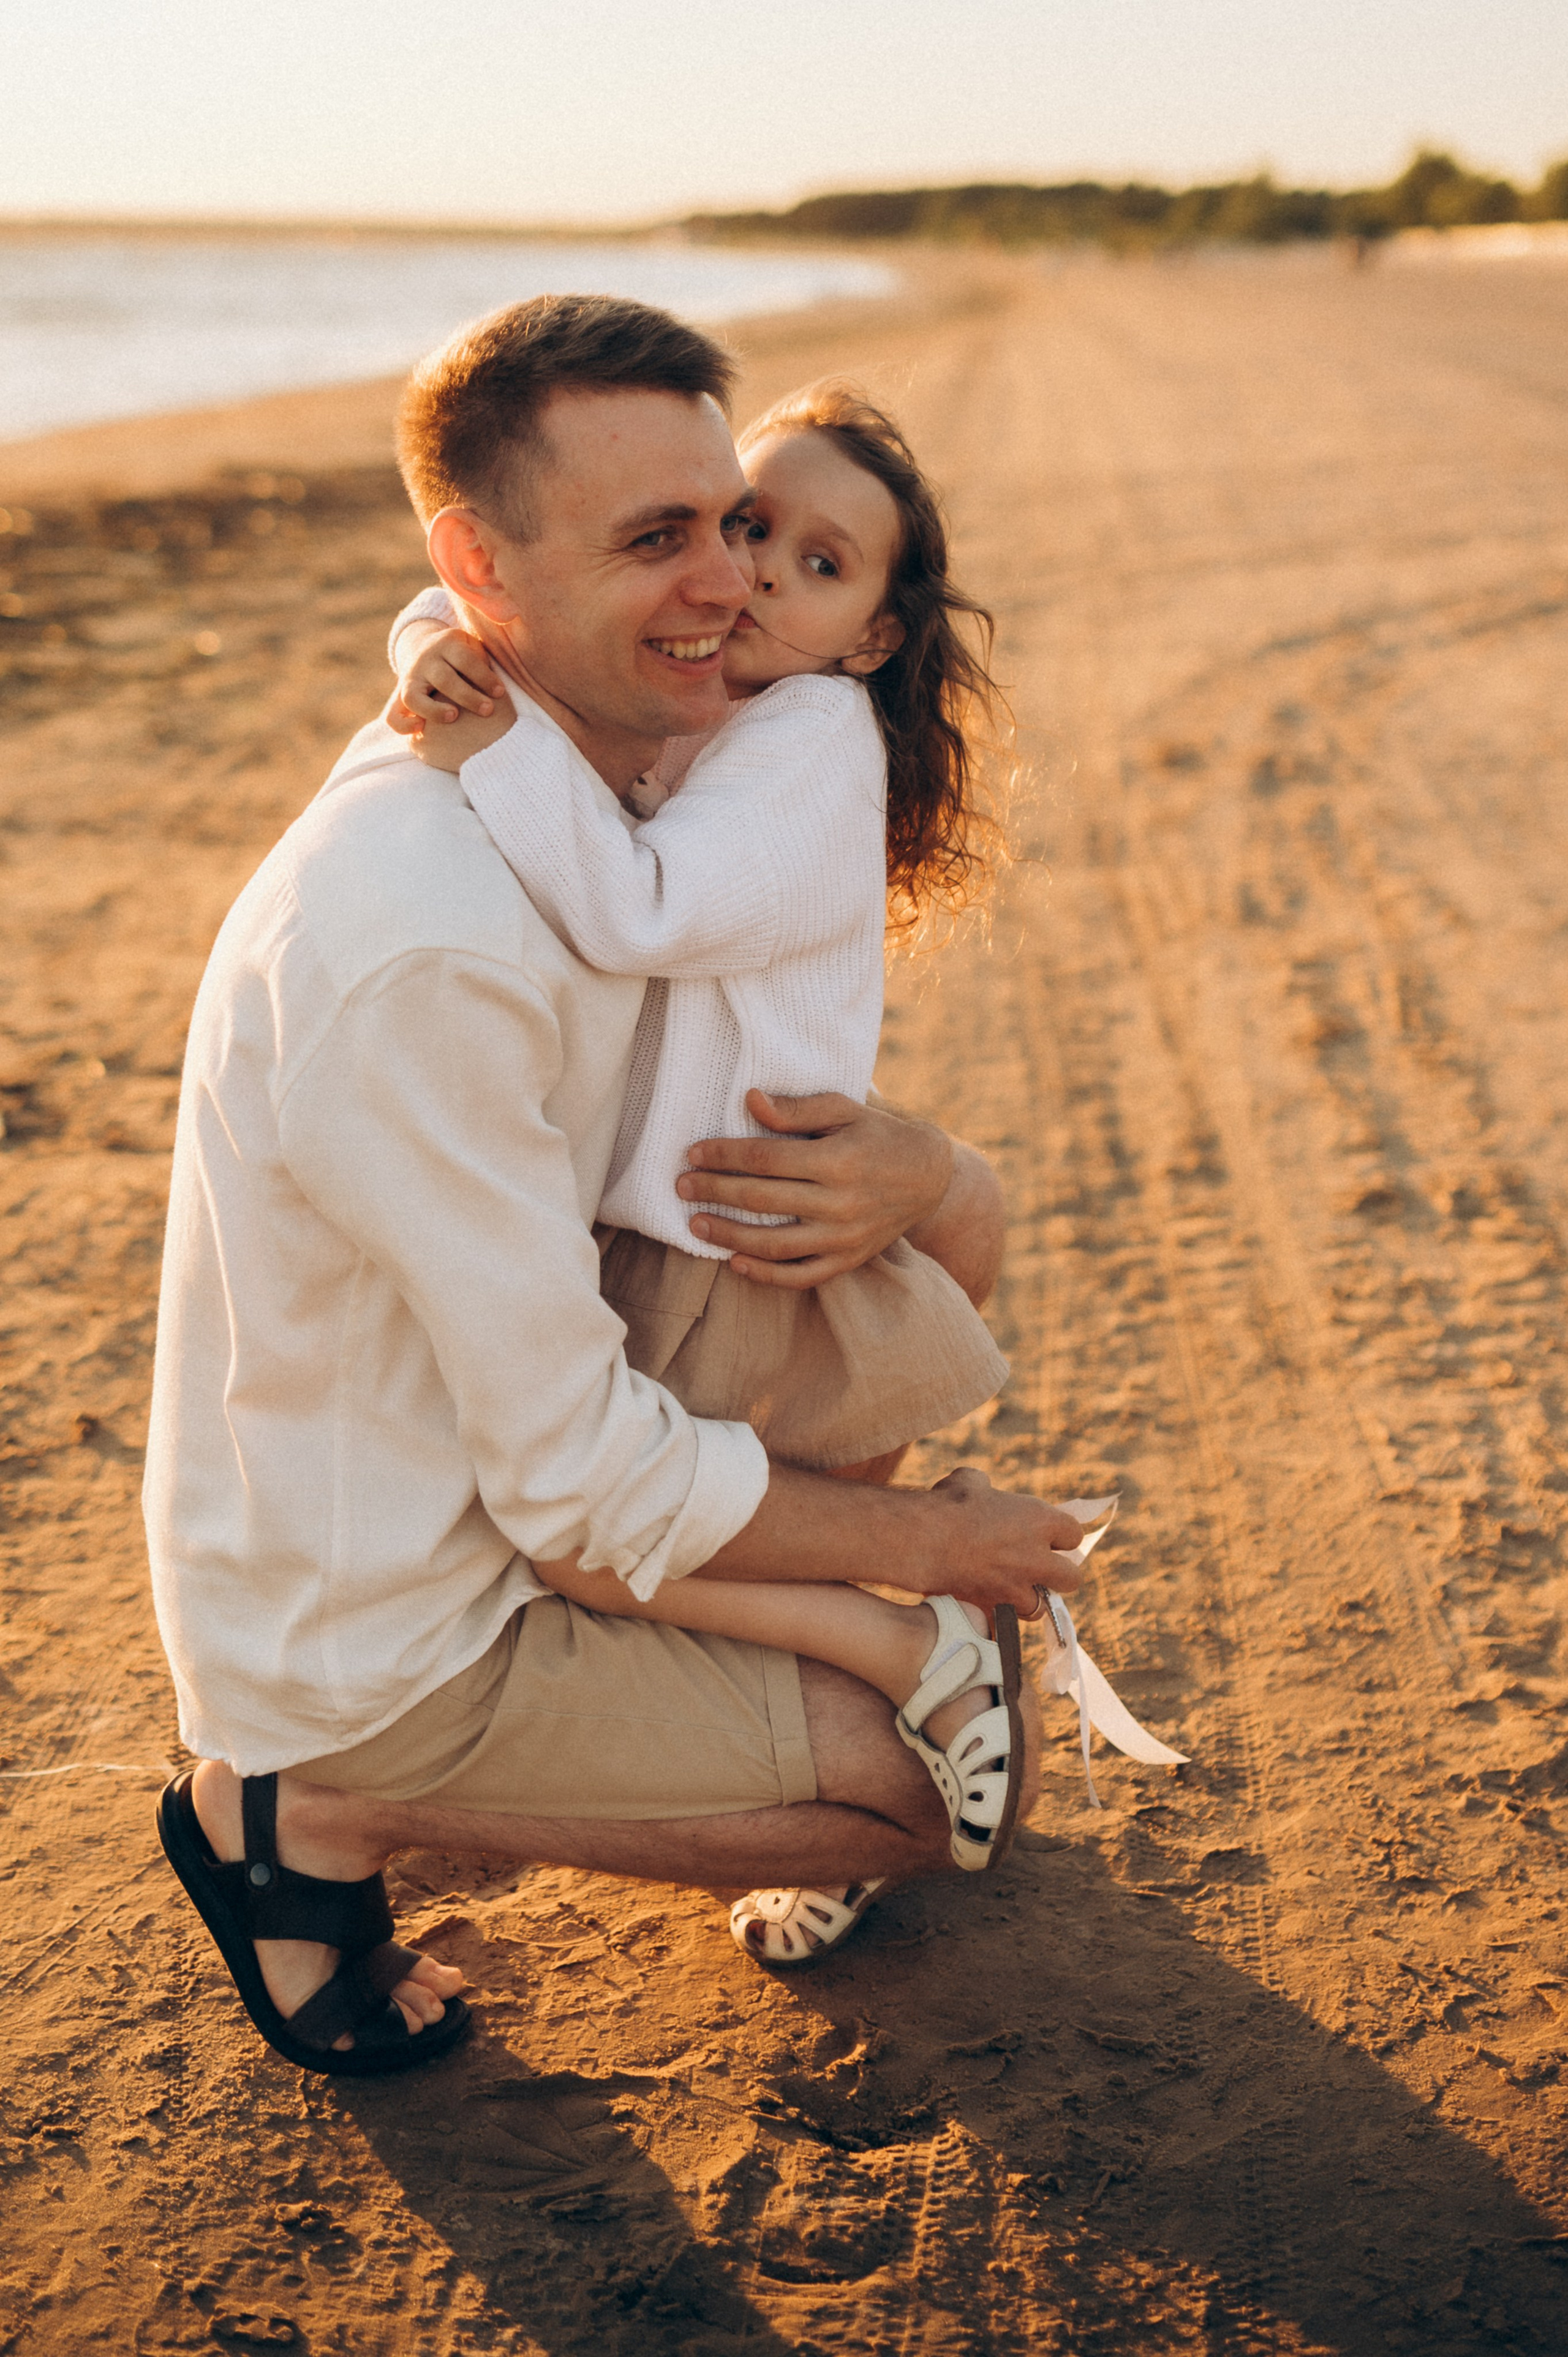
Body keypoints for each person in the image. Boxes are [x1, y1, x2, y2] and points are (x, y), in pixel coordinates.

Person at [147, 295, 1086, 2079]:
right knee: (934, 1795)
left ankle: (740, 1650)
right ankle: (299, 1804)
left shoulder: (600, 754)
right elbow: (575, 1475)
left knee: (945, 1215)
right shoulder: (427, 941)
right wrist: (920, 1557)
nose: (729, 585)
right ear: (479, 565)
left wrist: (923, 1167)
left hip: (522, 1460)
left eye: (736, 524)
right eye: (658, 540)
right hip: (403, 1614)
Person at [383, 383, 1041, 1915]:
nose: (747, 574)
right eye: (744, 524)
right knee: (690, 1556)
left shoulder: (807, 736)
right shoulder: (718, 700)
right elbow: (493, 606)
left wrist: (489, 745)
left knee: (606, 1550)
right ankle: (899, 1666)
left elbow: (641, 908)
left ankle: (914, 1647)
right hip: (689, 1225)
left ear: (870, 637)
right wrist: (427, 643)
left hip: (736, 1247)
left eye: (818, 565)